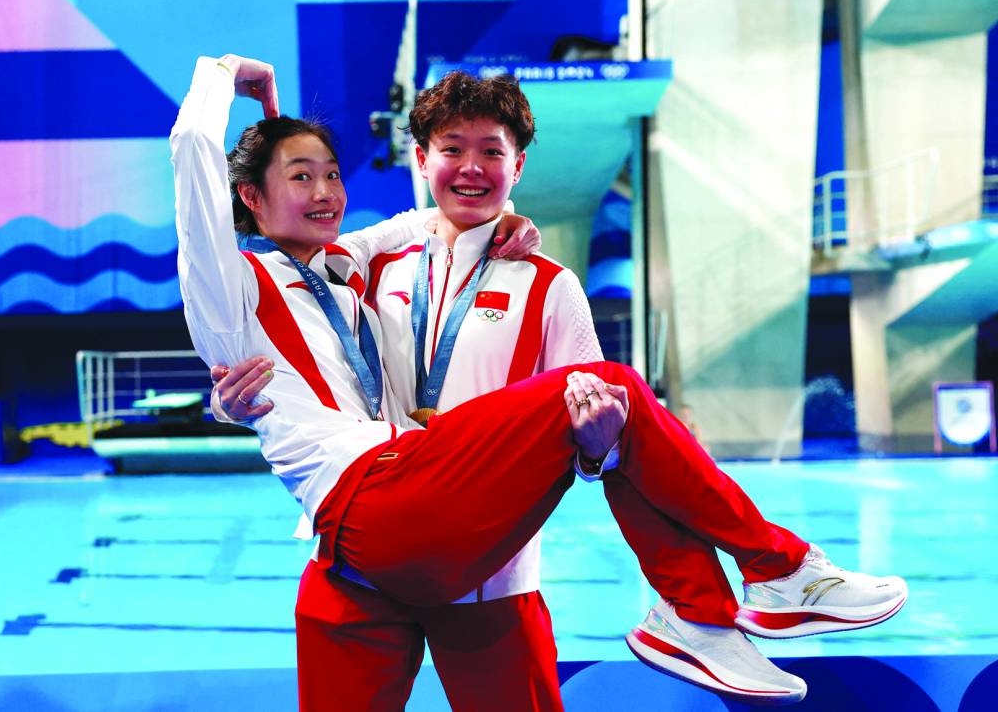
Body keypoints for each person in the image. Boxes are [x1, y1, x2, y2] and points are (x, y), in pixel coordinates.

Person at [174, 54, 908, 710]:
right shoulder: (334, 271)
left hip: (482, 559)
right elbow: (227, 200)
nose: (324, 191)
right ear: (420, 158)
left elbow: (608, 449)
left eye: (491, 154)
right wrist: (222, 74)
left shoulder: (534, 284)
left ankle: (719, 606)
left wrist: (596, 442)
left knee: (612, 396)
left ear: (518, 166)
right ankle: (751, 585)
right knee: (614, 381)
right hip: (366, 536)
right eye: (451, 150)